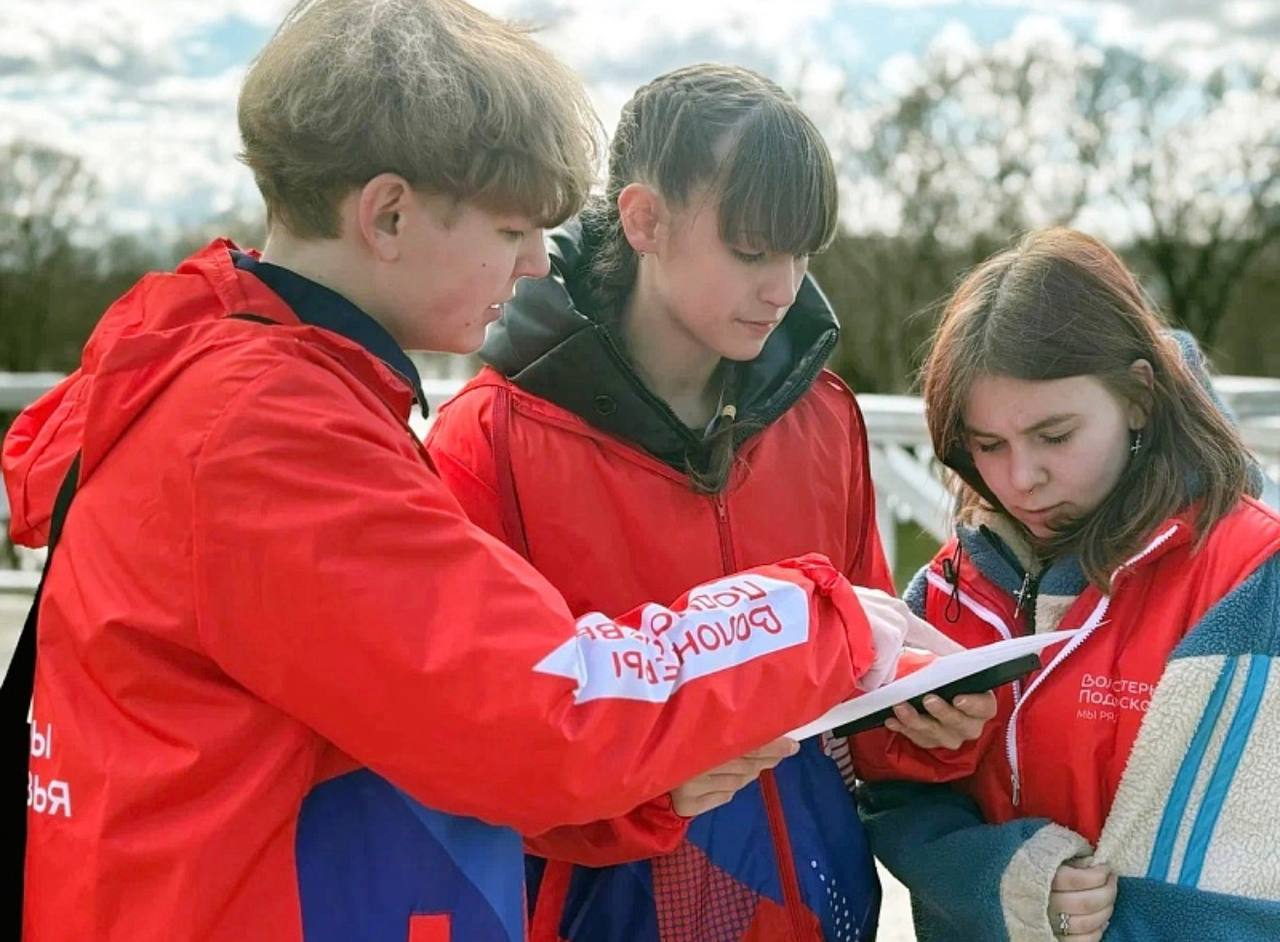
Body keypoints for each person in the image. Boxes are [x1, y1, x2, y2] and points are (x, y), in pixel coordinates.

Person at [0, 3, 934, 940]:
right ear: (389, 215)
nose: (533, 264)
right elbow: (545, 708)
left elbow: (436, 731)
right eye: (511, 228)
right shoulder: (264, 431)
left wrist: (651, 790)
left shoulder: (239, 385)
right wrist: (818, 617)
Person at [425, 63, 993, 942]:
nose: (785, 288)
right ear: (644, 220)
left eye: (803, 253)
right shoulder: (487, 439)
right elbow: (467, 753)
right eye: (753, 251)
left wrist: (931, 725)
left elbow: (861, 686)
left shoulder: (824, 417)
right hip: (596, 916)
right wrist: (653, 788)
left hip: (823, 910)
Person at [856, 228, 1280, 942]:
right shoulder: (947, 593)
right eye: (988, 445)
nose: (1022, 478)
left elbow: (1246, 885)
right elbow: (891, 797)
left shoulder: (1249, 577)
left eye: (1054, 436)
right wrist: (999, 881)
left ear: (1139, 396)